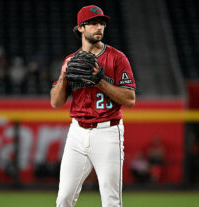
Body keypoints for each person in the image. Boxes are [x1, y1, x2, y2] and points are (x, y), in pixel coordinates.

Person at [50, 5, 136, 207]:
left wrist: (100, 82)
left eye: (102, 23)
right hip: (77, 133)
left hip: (108, 132)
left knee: (111, 201)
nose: (99, 27)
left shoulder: (117, 58)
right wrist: (63, 76)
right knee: (63, 198)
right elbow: (55, 102)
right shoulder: (71, 61)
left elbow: (130, 99)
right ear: (81, 27)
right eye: (93, 23)